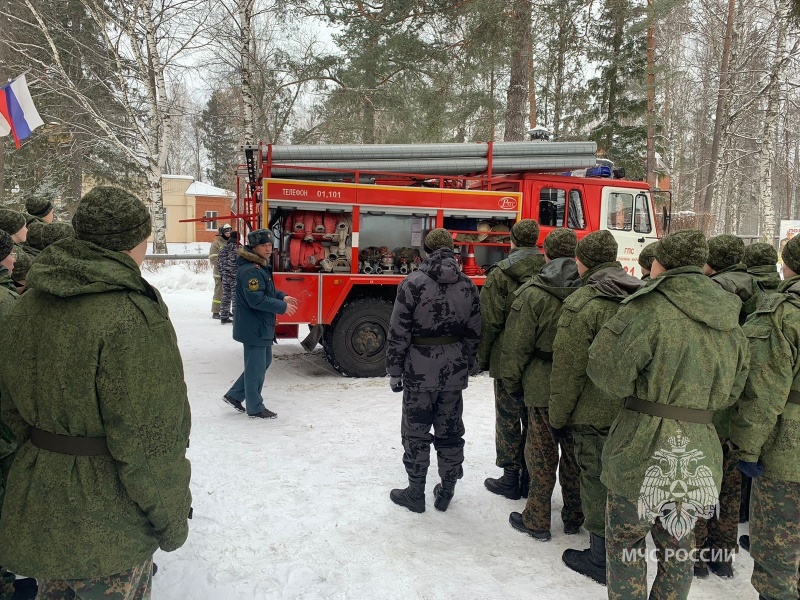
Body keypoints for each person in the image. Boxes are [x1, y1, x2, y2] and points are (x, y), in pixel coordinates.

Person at [0, 186, 192, 599]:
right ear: (137, 240)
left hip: (40, 507)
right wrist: (172, 517)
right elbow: (150, 440)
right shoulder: (130, 316)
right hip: (108, 523)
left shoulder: (28, 303)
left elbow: (9, 415)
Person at [586, 230, 749, 600]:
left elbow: (607, 373)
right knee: (679, 548)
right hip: (701, 450)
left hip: (640, 447)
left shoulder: (647, 308)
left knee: (626, 542)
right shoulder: (729, 315)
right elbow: (733, 390)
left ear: (661, 262)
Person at [547, 230, 644, 584]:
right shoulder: (641, 295)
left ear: (581, 261)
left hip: (592, 411)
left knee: (595, 478)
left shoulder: (584, 303)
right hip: (634, 409)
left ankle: (601, 555)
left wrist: (557, 417)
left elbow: (568, 370)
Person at [386, 228, 481, 513]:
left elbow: (398, 331)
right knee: (450, 431)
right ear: (452, 250)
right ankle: (447, 488)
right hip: (453, 369)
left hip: (418, 369)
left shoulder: (411, 283)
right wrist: (466, 361)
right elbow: (474, 332)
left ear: (426, 250)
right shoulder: (467, 285)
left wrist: (394, 369)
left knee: (415, 432)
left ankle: (415, 493)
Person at [498, 228, 583, 541]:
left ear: (545, 252)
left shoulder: (534, 293)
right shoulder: (590, 290)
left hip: (541, 383)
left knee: (541, 453)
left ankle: (536, 519)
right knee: (574, 453)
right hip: (578, 384)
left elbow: (516, 345)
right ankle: (575, 516)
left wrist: (512, 380)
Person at [731, 234, 800, 600]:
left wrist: (748, 448)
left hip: (788, 452)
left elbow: (765, 392)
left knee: (777, 550)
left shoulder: (785, 314)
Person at [694, 233, 761, 578]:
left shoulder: (712, 292)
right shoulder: (765, 289)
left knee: (701, 479)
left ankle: (695, 556)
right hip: (747, 401)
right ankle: (721, 555)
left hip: (714, 400)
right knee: (731, 485)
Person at [478, 219, 545, 500]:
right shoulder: (550, 269)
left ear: (512, 240)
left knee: (507, 416)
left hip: (506, 354)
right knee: (533, 418)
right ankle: (531, 479)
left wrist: (481, 358)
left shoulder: (500, 273)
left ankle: (510, 478)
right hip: (539, 355)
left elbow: (490, 321)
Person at [222, 229, 297, 419]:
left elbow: (267, 291)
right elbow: (256, 299)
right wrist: (281, 307)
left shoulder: (258, 266)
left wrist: (282, 296)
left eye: (270, 245)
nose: (268, 249)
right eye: (264, 245)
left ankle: (235, 395)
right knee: (256, 367)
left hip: (259, 325)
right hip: (254, 327)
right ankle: (255, 407)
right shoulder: (250, 271)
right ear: (253, 247)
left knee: (263, 361)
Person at [209, 223, 232, 319]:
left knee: (228, 293)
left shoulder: (230, 243)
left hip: (229, 273)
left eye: (229, 231)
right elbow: (213, 259)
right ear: (221, 232)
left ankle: (225, 310)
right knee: (219, 292)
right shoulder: (216, 244)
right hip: (219, 274)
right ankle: (215, 311)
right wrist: (224, 267)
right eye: (226, 231)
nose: (228, 233)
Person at [218, 231, 239, 324]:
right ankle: (236, 318)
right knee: (235, 298)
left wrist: (221, 274)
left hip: (225, 276)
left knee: (226, 296)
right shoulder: (239, 248)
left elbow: (219, 263)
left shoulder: (223, 248)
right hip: (235, 277)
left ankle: (224, 316)